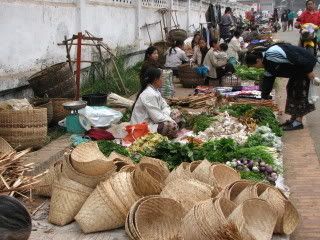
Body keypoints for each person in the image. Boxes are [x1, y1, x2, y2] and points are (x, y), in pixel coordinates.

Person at [245, 43, 318, 131]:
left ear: (258, 60)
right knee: (291, 89)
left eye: (254, 66)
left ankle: (298, 122)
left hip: (304, 66)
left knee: (298, 92)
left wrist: (309, 70)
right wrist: (264, 97)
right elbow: (268, 80)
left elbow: (297, 58)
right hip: (297, 71)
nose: (256, 68)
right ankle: (293, 119)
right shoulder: (267, 63)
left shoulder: (271, 54)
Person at [131, 68, 181, 139]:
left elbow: (165, 106)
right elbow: (157, 118)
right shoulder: (149, 94)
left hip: (155, 119)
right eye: (162, 77)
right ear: (155, 80)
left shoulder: (155, 91)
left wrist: (167, 116)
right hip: (142, 126)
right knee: (171, 125)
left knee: (176, 113)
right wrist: (169, 119)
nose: (163, 79)